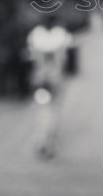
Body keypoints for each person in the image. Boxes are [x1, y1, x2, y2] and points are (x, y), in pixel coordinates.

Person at [27, 14, 72, 159]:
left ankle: (40, 139)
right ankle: (49, 142)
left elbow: (32, 55)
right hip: (55, 77)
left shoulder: (35, 34)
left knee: (41, 109)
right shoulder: (61, 35)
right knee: (53, 110)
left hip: (40, 77)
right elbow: (65, 58)